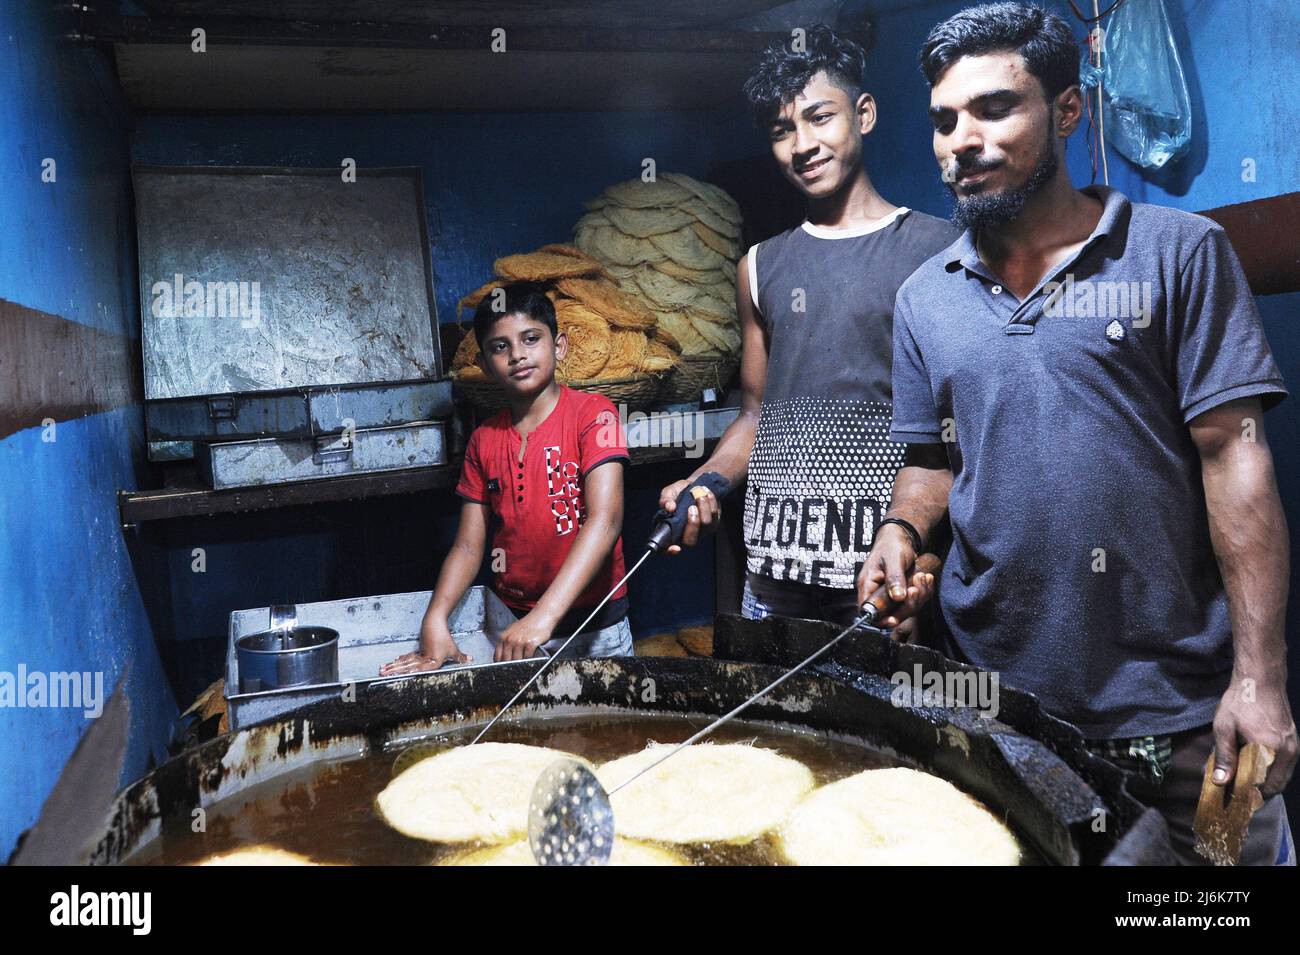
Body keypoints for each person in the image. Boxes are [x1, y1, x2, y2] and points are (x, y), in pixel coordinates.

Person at [861, 1, 1296, 865]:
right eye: (945, 119)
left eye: (994, 108)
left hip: (1185, 717)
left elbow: (1234, 457)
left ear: (1067, 110)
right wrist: (900, 528)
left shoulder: (1178, 253)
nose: (962, 140)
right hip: (1001, 710)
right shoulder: (924, 297)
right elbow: (930, 455)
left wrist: (1260, 677)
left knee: (1217, 896)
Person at [659, 25, 954, 630]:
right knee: (775, 722)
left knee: (883, 722)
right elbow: (755, 414)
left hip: (882, 567)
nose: (803, 144)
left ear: (864, 114)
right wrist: (704, 481)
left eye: (821, 117)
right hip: (772, 568)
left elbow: (960, 433)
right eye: (782, 130)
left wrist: (930, 554)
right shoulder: (759, 265)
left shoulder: (939, 249)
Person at [382, 282, 632, 674]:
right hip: (514, 628)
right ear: (484, 365)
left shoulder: (594, 414)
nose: (518, 354)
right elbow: (468, 546)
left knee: (603, 733)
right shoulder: (483, 441)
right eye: (500, 347)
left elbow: (606, 521)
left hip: (595, 628)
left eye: (531, 338)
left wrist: (544, 618)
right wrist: (436, 617)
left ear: (559, 346)